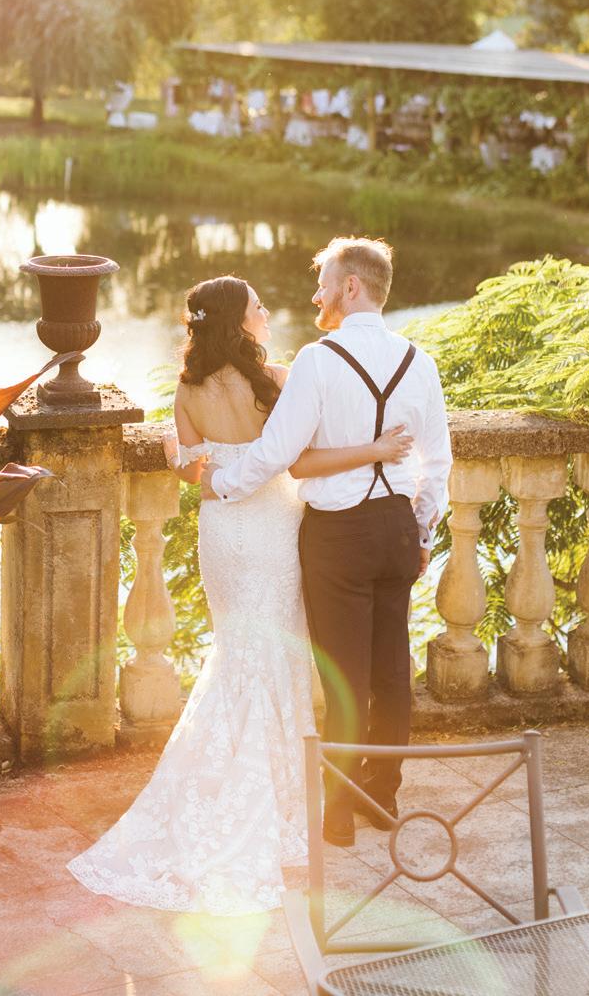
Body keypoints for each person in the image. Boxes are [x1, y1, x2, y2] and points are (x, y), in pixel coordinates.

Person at [67, 274, 413, 914]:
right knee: (278, 652)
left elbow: (194, 473)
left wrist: (176, 459)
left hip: (223, 531)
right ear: (239, 320)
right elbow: (301, 454)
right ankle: (282, 791)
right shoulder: (278, 380)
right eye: (258, 305)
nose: (267, 310)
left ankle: (235, 776)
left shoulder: (187, 389)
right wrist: (378, 447)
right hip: (275, 525)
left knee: (235, 652)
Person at [201, 238, 452, 848]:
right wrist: (421, 530)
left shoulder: (318, 360)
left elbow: (277, 452)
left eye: (324, 283)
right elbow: (438, 463)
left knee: (343, 677)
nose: (316, 294)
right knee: (392, 673)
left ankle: (338, 812)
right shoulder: (419, 360)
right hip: (397, 527)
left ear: (351, 287)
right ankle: (382, 797)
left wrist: (223, 483)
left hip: (339, 535)